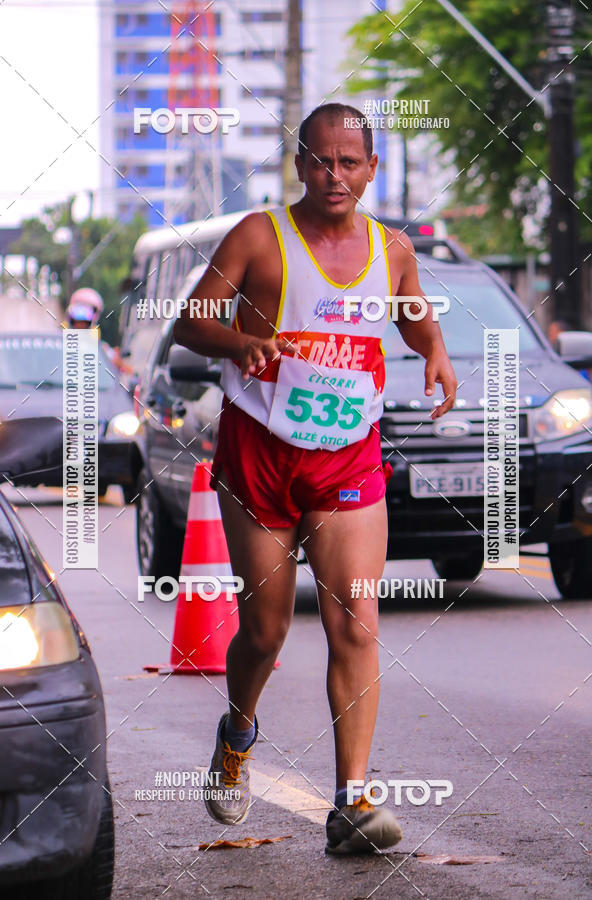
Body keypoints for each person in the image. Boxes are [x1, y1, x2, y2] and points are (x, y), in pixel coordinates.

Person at [173, 103, 457, 854]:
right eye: (322, 161)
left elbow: (414, 314)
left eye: (350, 162)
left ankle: (353, 803)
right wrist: (240, 340)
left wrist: (435, 351)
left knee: (355, 624)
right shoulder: (259, 237)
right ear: (300, 165)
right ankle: (237, 734)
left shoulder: (389, 249)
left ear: (370, 170)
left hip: (348, 455)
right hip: (261, 452)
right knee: (264, 632)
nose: (336, 175)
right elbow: (188, 322)